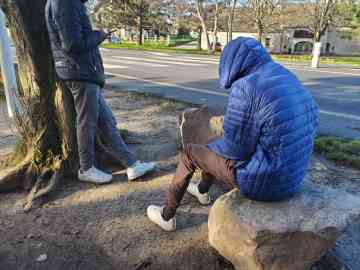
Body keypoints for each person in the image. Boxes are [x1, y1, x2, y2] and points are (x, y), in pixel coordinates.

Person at [147, 37, 319, 232]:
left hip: (265, 184)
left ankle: (166, 216)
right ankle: (202, 191)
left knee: (191, 153)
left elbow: (236, 149)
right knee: (214, 147)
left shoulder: (246, 86)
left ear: (231, 62)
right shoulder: (285, 75)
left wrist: (208, 149)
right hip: (293, 178)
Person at [45, 0, 155, 184]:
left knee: (106, 121)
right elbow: (72, 43)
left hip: (81, 71)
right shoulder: (65, 3)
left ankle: (131, 164)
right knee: (87, 122)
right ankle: (86, 167)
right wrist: (100, 35)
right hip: (79, 71)